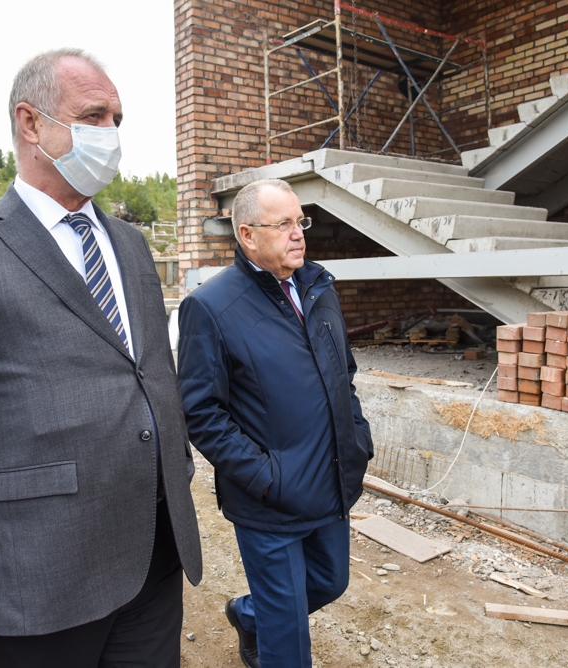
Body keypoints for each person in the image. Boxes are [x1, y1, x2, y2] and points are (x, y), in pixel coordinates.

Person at [0, 48, 202, 666]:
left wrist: (177, 465)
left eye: (117, 119)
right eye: (93, 116)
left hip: (151, 555)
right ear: (30, 123)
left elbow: (147, 374)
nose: (111, 133)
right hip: (37, 572)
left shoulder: (130, 244)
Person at [177, 179, 373, 668]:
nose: (298, 233)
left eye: (300, 221)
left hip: (330, 481)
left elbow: (343, 375)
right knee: (287, 640)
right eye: (283, 223)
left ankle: (249, 614)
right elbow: (200, 411)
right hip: (270, 501)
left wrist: (357, 439)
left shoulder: (319, 287)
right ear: (247, 235)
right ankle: (267, 621)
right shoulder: (211, 306)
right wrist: (266, 478)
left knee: (329, 581)